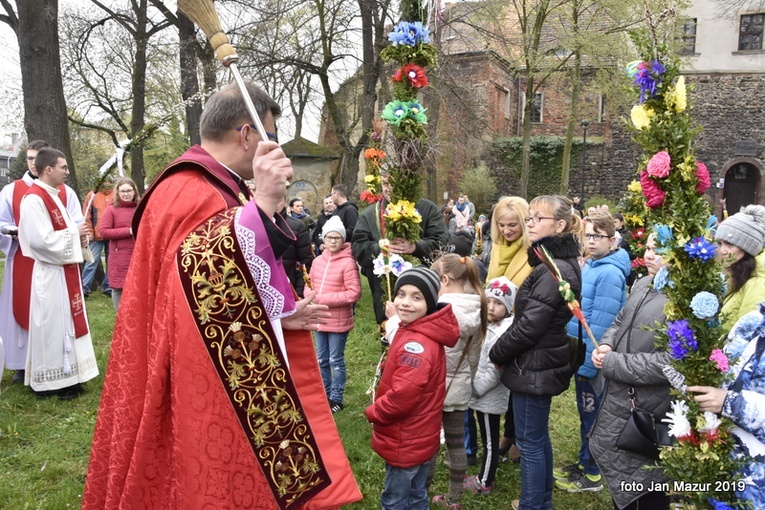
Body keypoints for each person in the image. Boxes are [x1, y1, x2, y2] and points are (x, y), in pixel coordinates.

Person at [84, 81, 361, 509]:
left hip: (190, 339)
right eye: (269, 134)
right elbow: (201, 272)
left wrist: (275, 314)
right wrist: (265, 202)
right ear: (246, 133)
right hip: (186, 360)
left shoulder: (207, 184)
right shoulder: (192, 189)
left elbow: (223, 285)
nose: (274, 145)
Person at [489, 194, 582, 510]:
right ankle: (542, 501)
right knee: (537, 437)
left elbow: (530, 326)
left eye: (537, 218)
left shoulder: (554, 270)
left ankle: (533, 505)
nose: (530, 223)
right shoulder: (550, 263)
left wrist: (497, 352)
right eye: (530, 217)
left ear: (560, 225)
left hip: (535, 363)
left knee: (529, 442)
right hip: (539, 360)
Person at [364, 266, 460, 510]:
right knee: (417, 494)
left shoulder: (415, 344)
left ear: (429, 302)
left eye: (417, 297)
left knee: (395, 499)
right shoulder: (420, 329)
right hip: (421, 434)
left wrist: (374, 412)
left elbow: (402, 396)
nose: (405, 303)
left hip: (404, 438)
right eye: (401, 294)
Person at [589, 233, 673, 510]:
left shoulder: (684, 300)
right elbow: (620, 320)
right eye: (648, 248)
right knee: (622, 481)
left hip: (649, 407)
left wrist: (613, 363)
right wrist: (606, 343)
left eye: (658, 250)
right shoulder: (644, 283)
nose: (648, 255)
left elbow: (670, 362)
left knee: (644, 488)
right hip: (621, 399)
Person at [556, 212, 630, 493]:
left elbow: (601, 323)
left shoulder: (609, 272)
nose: (591, 241)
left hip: (593, 358)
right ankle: (584, 460)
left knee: (593, 416)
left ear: (612, 240)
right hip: (581, 354)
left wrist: (587, 362)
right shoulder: (592, 265)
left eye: (598, 236)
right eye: (587, 235)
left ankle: (593, 473)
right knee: (585, 414)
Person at [18, 148, 98, 399]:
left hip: (66, 273)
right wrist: (75, 233)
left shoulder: (55, 196)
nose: (67, 171)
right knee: (53, 327)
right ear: (48, 169)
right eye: (63, 167)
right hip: (51, 275)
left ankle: (72, 376)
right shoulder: (34, 200)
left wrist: (80, 234)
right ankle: (55, 381)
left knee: (68, 325)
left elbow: (66, 232)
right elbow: (40, 241)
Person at [0, 139, 83, 384]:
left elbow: (76, 222)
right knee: (22, 308)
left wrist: (78, 236)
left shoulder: (64, 191)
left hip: (57, 262)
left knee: (54, 315)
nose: (33, 163)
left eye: (37, 158)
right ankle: (20, 363)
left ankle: (60, 362)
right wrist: (12, 231)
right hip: (22, 259)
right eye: (29, 158)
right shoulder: (12, 190)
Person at [688, 305, 765, 509]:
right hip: (722, 460)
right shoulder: (752, 320)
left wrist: (730, 403)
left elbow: (727, 398)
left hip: (757, 487)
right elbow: (725, 372)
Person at [429, 254, 488, 509]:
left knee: (429, 444)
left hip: (433, 388)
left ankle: (422, 491)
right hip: (460, 386)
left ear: (443, 279)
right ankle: (454, 498)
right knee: (456, 443)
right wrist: (465, 377)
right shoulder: (479, 307)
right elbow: (474, 356)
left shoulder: (437, 309)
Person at [353, 170, 448, 325]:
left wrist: (416, 247)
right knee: (389, 337)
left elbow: (443, 243)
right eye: (385, 183)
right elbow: (358, 248)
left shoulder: (427, 209)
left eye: (393, 183)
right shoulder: (370, 215)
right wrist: (381, 248)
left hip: (422, 292)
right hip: (384, 291)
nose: (388, 188)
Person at [485, 196, 534, 459]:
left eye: (512, 224)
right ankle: (504, 435)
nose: (507, 230)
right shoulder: (498, 245)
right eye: (502, 225)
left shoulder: (532, 250)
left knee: (518, 385)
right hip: (496, 322)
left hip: (520, 326)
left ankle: (514, 438)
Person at [464, 276, 517, 496]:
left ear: (509, 308)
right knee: (487, 436)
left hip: (488, 395)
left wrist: (476, 389)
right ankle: (485, 474)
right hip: (477, 393)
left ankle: (485, 481)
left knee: (489, 440)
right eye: (490, 302)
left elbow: (495, 370)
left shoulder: (503, 333)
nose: (492, 308)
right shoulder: (484, 325)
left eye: (499, 304)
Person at [309, 215, 362, 413]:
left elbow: (354, 292)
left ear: (342, 240)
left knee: (335, 360)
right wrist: (310, 296)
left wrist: (323, 299)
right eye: (329, 237)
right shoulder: (317, 261)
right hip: (320, 319)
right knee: (321, 359)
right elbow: (310, 284)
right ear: (323, 239)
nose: (332, 241)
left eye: (337, 238)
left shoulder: (347, 263)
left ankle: (337, 397)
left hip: (338, 321)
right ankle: (325, 394)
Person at [714, 205, 765, 333]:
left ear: (748, 247)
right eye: (720, 243)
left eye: (730, 244)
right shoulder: (738, 276)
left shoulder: (756, 284)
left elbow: (747, 336)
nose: (722, 251)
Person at [98, 178, 140, 309]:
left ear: (134, 191)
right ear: (117, 193)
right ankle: (120, 317)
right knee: (118, 288)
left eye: (128, 190)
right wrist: (128, 231)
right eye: (122, 191)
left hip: (137, 254)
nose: (126, 194)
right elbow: (104, 232)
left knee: (137, 286)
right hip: (119, 256)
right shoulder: (112, 209)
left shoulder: (140, 207)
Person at [81, 186, 114, 298]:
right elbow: (87, 215)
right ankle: (84, 287)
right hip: (96, 235)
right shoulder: (92, 195)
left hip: (112, 235)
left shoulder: (115, 194)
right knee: (91, 261)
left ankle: (108, 286)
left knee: (112, 261)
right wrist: (89, 232)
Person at [279, 195, 314, 298]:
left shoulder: (297, 226)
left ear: (285, 201)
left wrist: (299, 291)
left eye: (278, 198)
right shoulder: (255, 224)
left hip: (290, 286)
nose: (273, 202)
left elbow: (305, 261)